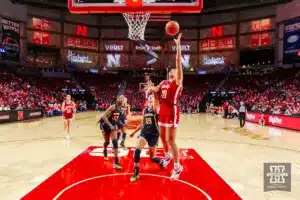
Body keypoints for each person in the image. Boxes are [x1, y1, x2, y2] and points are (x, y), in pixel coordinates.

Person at [150, 33, 183, 180]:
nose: (174, 71)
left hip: (172, 111)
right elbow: (155, 90)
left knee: (171, 141)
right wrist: (149, 87)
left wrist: (178, 47)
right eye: (173, 70)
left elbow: (178, 62)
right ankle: (167, 156)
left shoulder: (178, 82)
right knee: (162, 138)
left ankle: (177, 166)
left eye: (175, 71)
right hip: (162, 110)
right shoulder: (163, 82)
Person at [129, 95, 165, 182]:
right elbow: (143, 123)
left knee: (152, 158)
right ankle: (136, 173)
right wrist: (134, 132)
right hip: (144, 133)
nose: (150, 99)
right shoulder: (145, 110)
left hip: (154, 135)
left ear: (154, 100)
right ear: (147, 100)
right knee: (137, 151)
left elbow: (159, 111)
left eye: (152, 98)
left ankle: (161, 162)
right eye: (149, 98)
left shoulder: (156, 109)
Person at [98, 95, 125, 170]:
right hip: (105, 124)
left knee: (115, 142)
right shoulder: (113, 107)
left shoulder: (121, 109)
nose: (121, 99)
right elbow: (103, 116)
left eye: (122, 98)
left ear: (123, 101)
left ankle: (116, 163)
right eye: (119, 98)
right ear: (117, 100)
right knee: (107, 142)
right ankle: (105, 150)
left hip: (111, 125)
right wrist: (110, 125)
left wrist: (120, 123)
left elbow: (115, 118)